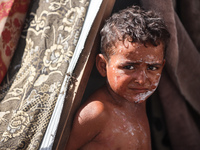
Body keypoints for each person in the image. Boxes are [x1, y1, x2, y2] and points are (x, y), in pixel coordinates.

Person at [65, 5, 170, 150]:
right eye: (129, 67)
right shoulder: (96, 113)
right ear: (103, 66)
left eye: (152, 68)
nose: (141, 80)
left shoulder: (139, 99)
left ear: (162, 66)